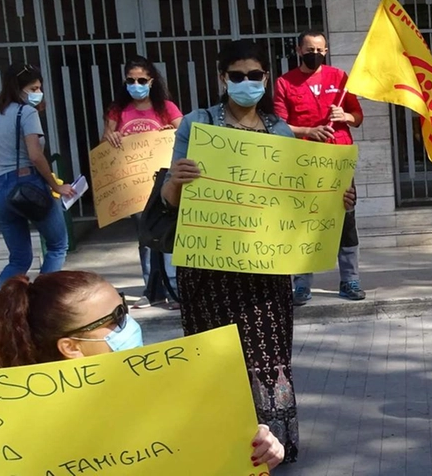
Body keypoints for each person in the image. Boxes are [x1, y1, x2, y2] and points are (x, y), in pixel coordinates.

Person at [159, 39, 302, 463]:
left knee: (269, 355)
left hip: (265, 269)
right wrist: (175, 182)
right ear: (223, 78)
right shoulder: (196, 125)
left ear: (266, 78)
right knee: (215, 357)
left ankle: (273, 449)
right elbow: (169, 200)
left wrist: (333, 200)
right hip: (209, 269)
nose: (245, 83)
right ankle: (222, 449)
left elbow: (295, 197)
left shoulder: (281, 130)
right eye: (236, 75)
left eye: (254, 75)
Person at [0, 270, 285, 471]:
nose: (129, 324)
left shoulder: (173, 390)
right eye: (115, 319)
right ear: (71, 347)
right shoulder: (21, 434)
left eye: (125, 309)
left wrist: (257, 452)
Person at [0, 64, 74, 329]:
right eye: (34, 89)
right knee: (57, 245)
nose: (38, 93)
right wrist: (55, 184)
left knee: (19, 258)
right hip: (28, 183)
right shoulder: (27, 112)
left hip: (0, 190)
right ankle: (40, 305)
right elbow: (34, 155)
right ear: (18, 89)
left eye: (39, 88)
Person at [273, 29, 366, 305]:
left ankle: (350, 279)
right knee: (303, 222)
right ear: (298, 50)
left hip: (339, 162)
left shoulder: (339, 77)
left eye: (320, 50)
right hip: (304, 162)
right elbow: (278, 126)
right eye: (310, 50)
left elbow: (358, 117)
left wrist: (345, 115)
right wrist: (307, 131)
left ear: (326, 51)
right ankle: (301, 284)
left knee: (345, 220)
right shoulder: (284, 83)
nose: (316, 55)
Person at [101, 56, 184, 311]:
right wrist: (112, 136)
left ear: (151, 81)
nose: (135, 85)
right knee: (146, 238)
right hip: (134, 188)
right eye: (130, 80)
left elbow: (183, 134)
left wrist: (168, 132)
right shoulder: (118, 109)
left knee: (168, 234)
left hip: (163, 184)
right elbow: (106, 139)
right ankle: (152, 290)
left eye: (141, 80)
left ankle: (173, 289)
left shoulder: (166, 108)